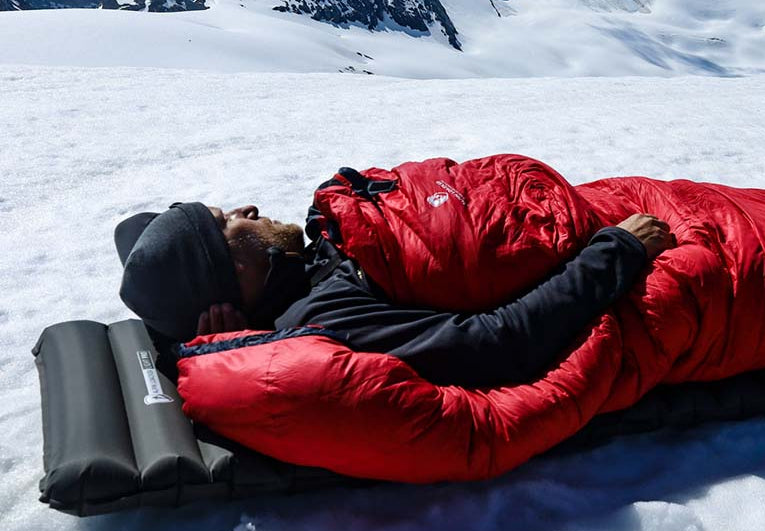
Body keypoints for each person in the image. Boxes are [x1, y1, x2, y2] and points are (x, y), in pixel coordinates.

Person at [115, 198, 674, 388]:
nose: (248, 211)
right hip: (627, 254)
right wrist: (617, 252)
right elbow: (500, 342)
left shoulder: (303, 265)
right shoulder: (325, 319)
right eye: (228, 222)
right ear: (233, 275)